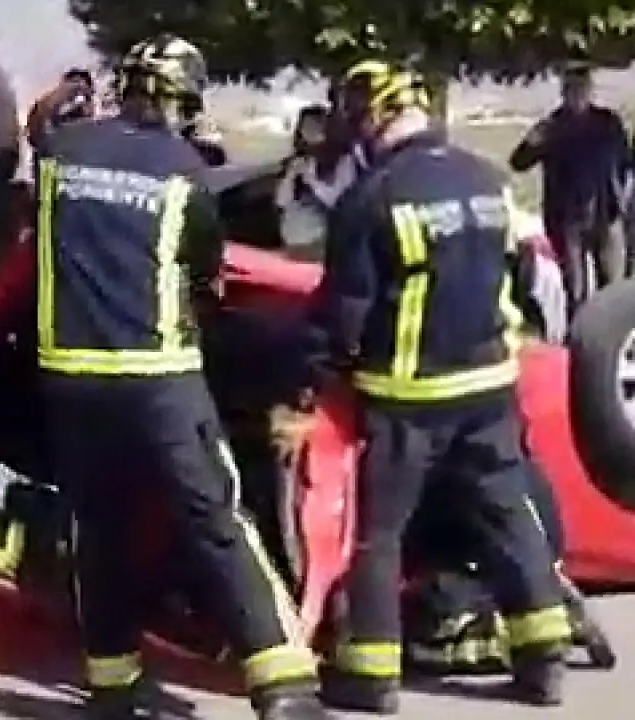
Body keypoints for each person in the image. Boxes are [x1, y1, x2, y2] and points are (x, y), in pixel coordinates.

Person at [36, 33, 326, 720]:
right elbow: (205, 271)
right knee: (216, 518)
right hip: (160, 379)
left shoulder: (62, 152)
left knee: (100, 529)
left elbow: (38, 127)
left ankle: (113, 684)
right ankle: (283, 683)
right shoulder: (183, 168)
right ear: (183, 99)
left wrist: (67, 94)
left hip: (71, 379)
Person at [308, 66, 573, 714]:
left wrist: (314, 378)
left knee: (380, 533)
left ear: (373, 118)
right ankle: (543, 659)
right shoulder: (488, 179)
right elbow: (523, 273)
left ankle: (371, 674)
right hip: (489, 386)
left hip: (408, 398)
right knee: (509, 517)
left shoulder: (371, 197)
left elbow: (344, 313)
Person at [509, 60, 629, 315]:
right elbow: (518, 163)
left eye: (583, 86)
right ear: (564, 92)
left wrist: (622, 199)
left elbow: (625, 162)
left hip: (607, 215)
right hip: (567, 221)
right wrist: (530, 144)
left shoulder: (608, 123)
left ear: (590, 89)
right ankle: (579, 335)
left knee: (614, 290)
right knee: (576, 292)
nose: (578, 92)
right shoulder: (552, 127)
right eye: (572, 87)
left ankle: (610, 335)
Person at [275, 104, 334, 251]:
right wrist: (291, 176)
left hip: (320, 238)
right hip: (292, 238)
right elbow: (281, 202)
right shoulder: (296, 159)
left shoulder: (337, 160)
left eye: (316, 125)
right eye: (305, 126)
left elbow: (336, 201)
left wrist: (312, 180)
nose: (310, 131)